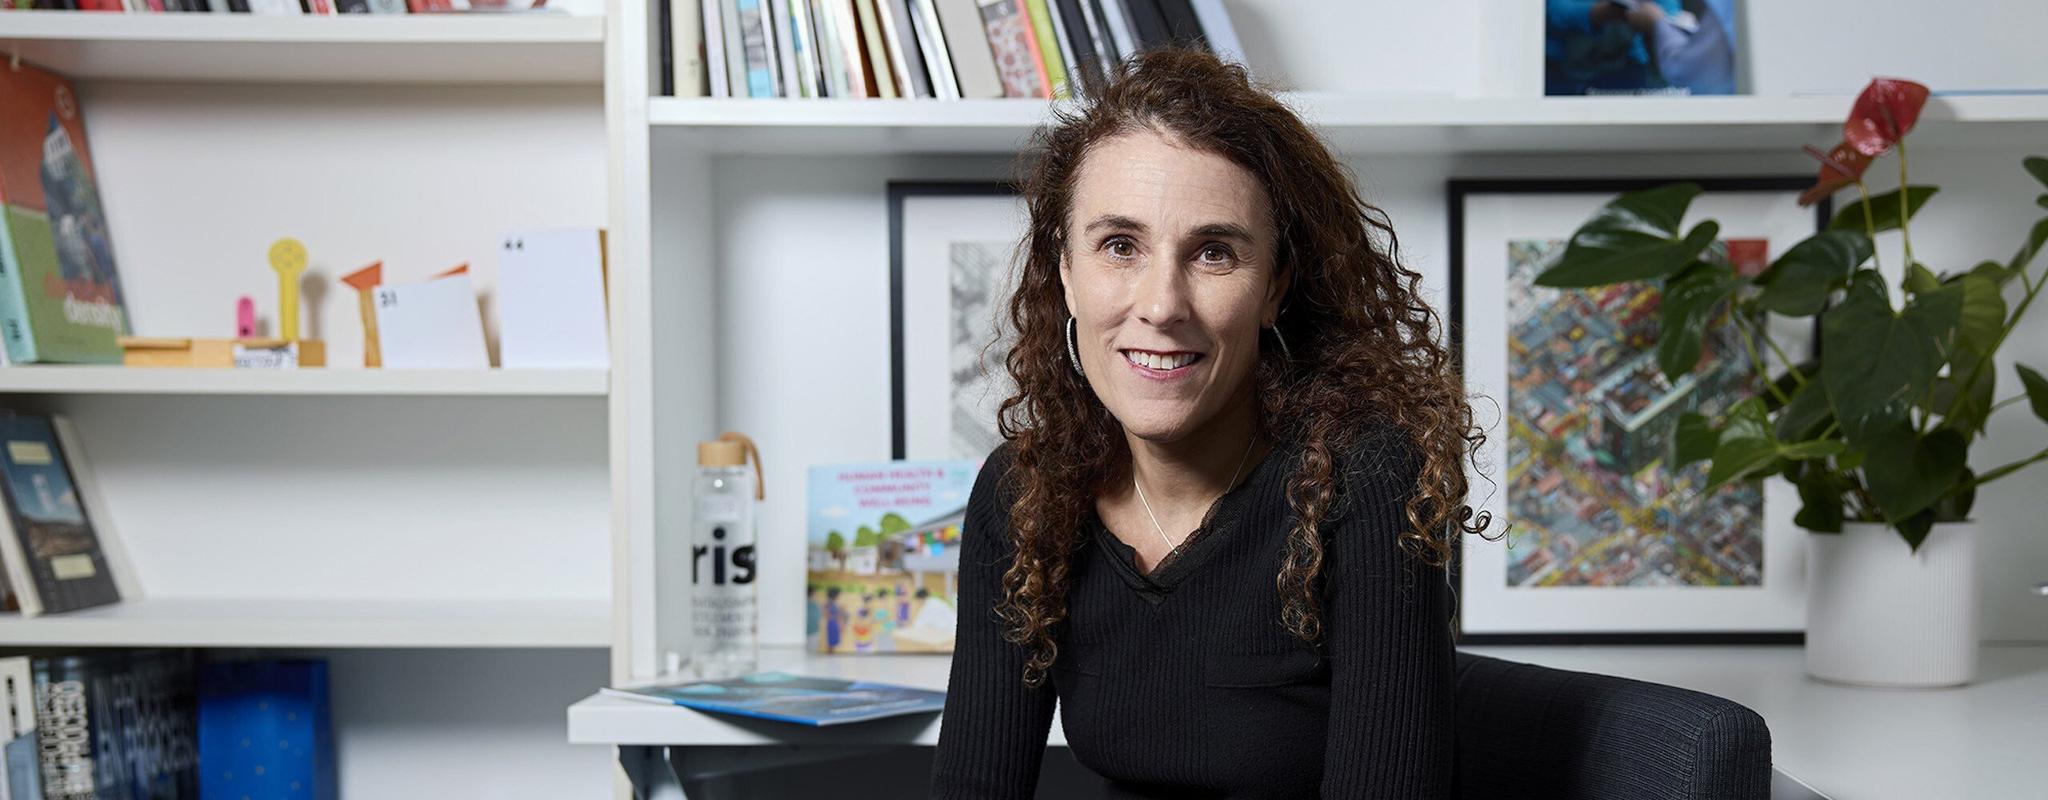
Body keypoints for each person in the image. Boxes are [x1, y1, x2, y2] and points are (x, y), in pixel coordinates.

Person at [929, 46, 1490, 799]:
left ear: (1274, 289)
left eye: (1214, 252)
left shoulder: (1367, 479)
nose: (1162, 305)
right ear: (1065, 271)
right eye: (1120, 246)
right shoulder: (1026, 491)